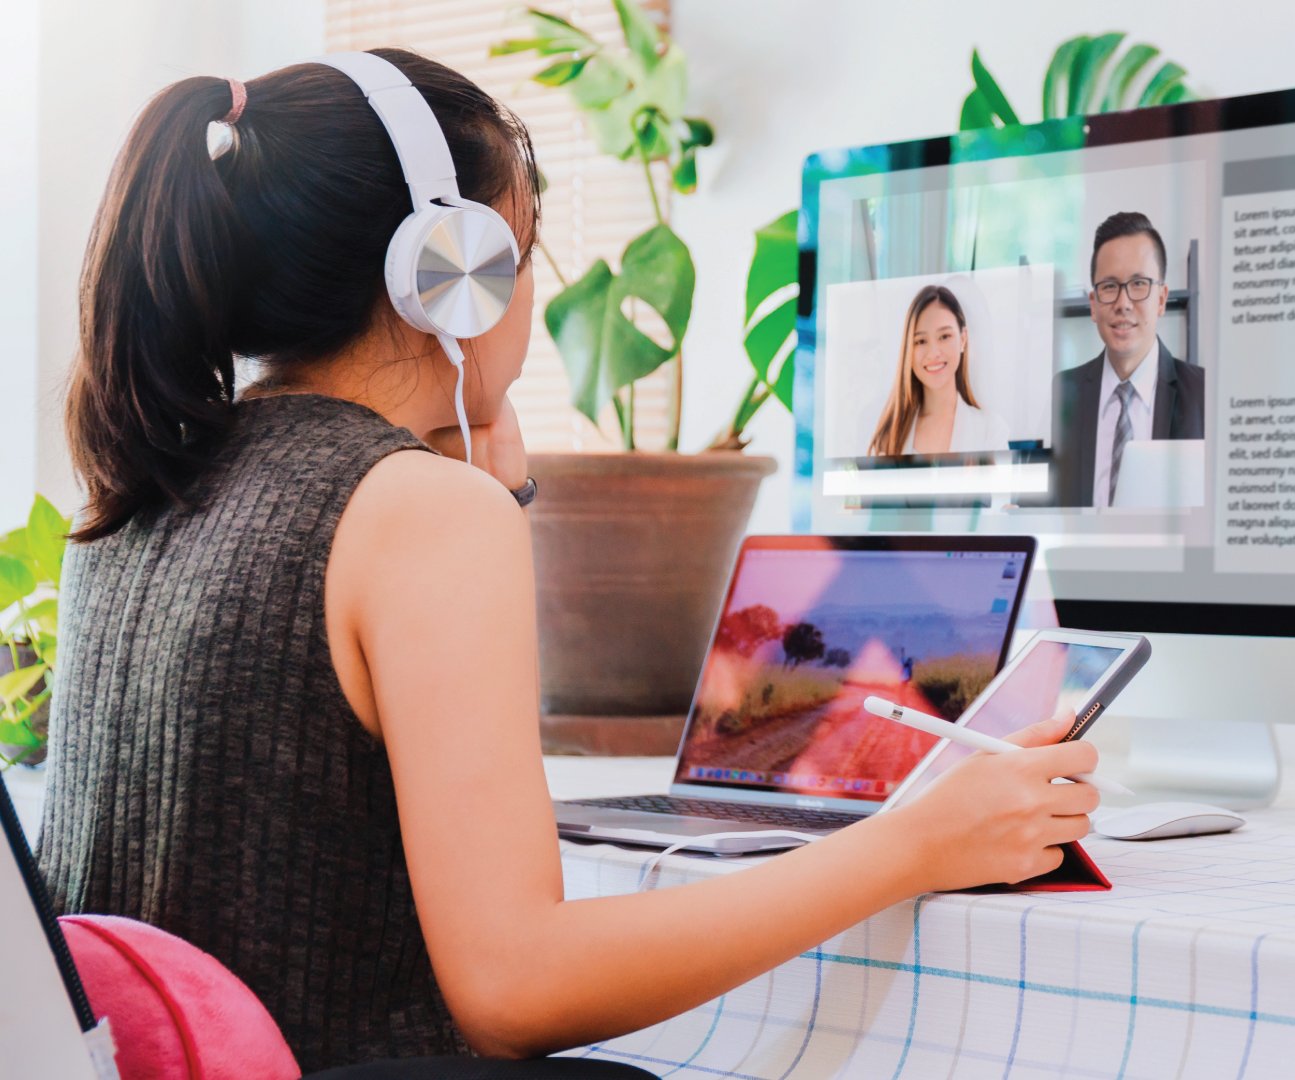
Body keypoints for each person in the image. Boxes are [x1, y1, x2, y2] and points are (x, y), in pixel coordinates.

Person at [34, 50, 1100, 1072]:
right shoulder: (415, 514)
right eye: (523, 251)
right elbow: (513, 989)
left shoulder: (143, 487)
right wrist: (918, 842)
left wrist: (479, 483)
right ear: (453, 277)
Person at [1050, 212, 1205, 507]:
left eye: (1138, 284)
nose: (1123, 303)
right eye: (1109, 286)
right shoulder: (1064, 392)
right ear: (1093, 305)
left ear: (1161, 299)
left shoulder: (1203, 395)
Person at [866, 284, 1010, 456]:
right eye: (920, 341)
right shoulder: (888, 437)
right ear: (908, 350)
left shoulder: (991, 431)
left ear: (963, 340)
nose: (933, 353)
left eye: (944, 337)